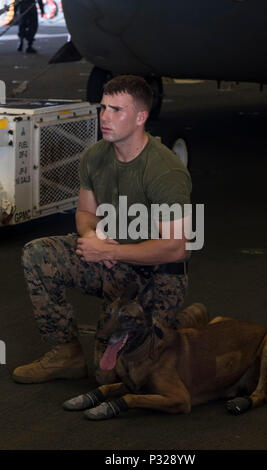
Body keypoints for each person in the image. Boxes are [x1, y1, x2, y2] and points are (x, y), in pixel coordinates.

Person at [12, 75, 192, 385]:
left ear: (140, 118)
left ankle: (184, 320)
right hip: (110, 260)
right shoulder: (94, 156)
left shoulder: (167, 171)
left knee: (108, 377)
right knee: (37, 254)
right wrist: (91, 237)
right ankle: (65, 352)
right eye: (103, 108)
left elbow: (178, 247)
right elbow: (85, 212)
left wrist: (110, 250)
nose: (105, 118)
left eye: (117, 110)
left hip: (155, 274)